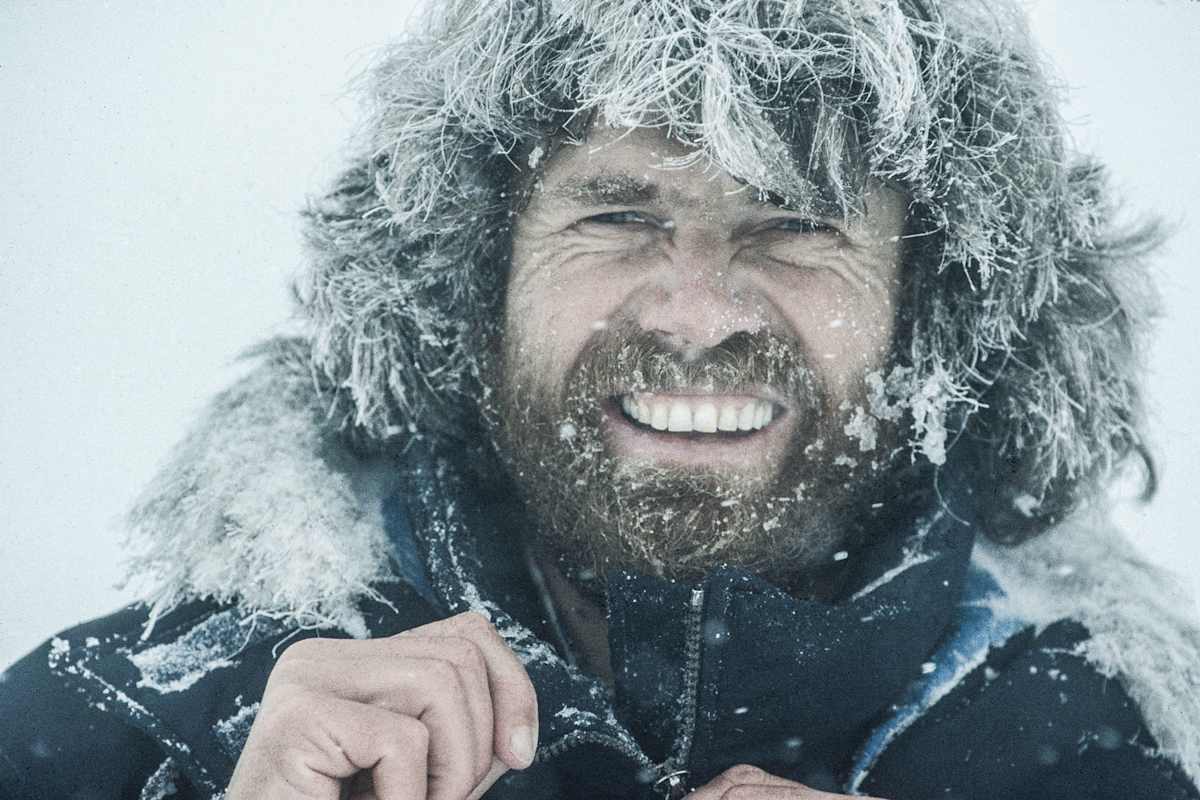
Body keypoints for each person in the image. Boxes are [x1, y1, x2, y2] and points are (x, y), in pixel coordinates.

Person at [2, 0, 1199, 798]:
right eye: (618, 217)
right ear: (477, 282)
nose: (695, 312)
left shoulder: (1118, 753)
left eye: (795, 225)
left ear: (933, 309)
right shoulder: (131, 727)